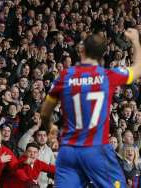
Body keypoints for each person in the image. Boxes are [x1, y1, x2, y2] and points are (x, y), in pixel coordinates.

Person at [40, 28, 141, 187]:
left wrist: (50, 128)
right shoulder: (108, 76)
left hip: (68, 151)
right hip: (96, 150)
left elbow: (45, 113)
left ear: (82, 50)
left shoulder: (65, 76)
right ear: (102, 55)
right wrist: (135, 41)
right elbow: (137, 69)